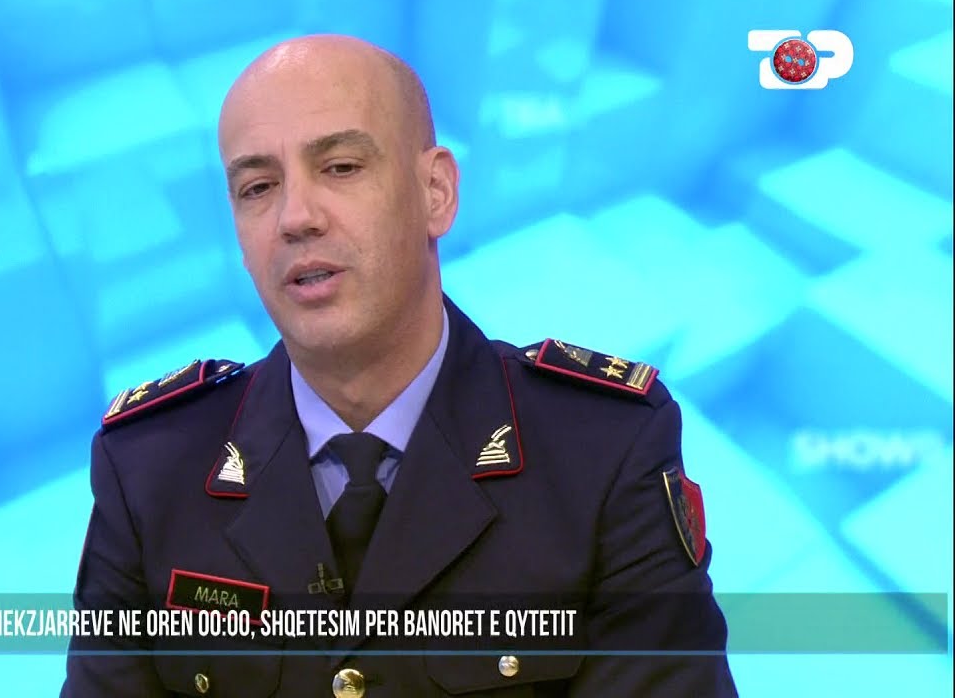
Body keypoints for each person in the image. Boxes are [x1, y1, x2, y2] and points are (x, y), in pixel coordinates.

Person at [61, 34, 736, 697]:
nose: (295, 217)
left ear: (435, 192)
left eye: (340, 167)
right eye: (258, 187)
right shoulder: (149, 469)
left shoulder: (604, 451)